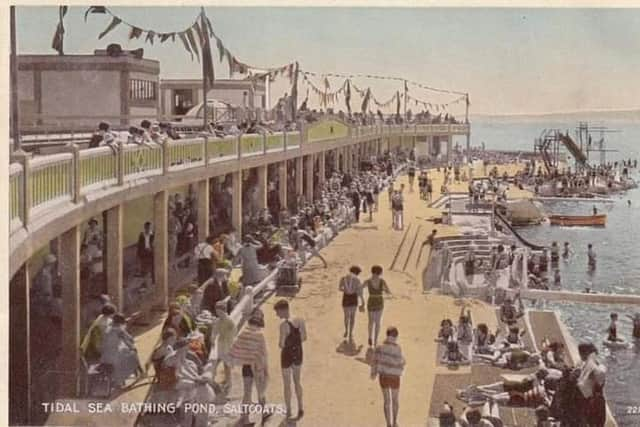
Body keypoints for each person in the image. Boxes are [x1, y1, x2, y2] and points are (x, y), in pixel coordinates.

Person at [229, 309, 271, 425]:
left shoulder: (243, 333)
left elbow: (234, 348)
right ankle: (264, 412)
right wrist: (263, 367)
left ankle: (245, 418)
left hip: (246, 367)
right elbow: (263, 354)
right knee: (261, 391)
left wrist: (242, 358)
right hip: (258, 367)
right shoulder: (260, 335)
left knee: (247, 393)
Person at [274, 299, 307, 420]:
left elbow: (281, 344)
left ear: (283, 310)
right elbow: (304, 337)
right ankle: (300, 407)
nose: (277, 315)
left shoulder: (283, 325)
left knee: (287, 384)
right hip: (298, 352)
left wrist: (285, 342)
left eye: (278, 312)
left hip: (287, 355)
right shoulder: (300, 320)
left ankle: (288, 410)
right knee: (297, 381)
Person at [370, 326, 405, 427]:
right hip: (394, 377)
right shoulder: (398, 348)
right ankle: (394, 422)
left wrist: (373, 373)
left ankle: (388, 424)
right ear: (396, 336)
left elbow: (375, 361)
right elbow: (400, 362)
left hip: (384, 377)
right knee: (395, 400)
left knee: (386, 401)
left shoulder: (379, 347)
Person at [100, 313, 143, 390]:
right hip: (113, 358)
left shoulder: (108, 328)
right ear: (121, 323)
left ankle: (136, 374)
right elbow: (130, 340)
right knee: (133, 354)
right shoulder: (119, 330)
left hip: (104, 356)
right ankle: (139, 373)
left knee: (126, 352)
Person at [575, 343, 607, 427]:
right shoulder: (593, 364)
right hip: (592, 400)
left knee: (592, 421)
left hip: (592, 400)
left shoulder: (591, 366)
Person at [363, 265, 392, 347]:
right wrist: (383, 290)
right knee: (378, 322)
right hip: (379, 301)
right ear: (379, 273)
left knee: (370, 322)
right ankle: (375, 340)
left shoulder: (368, 281)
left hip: (371, 300)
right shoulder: (382, 281)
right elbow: (388, 292)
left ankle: (369, 337)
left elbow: (360, 288)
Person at [338, 265, 365, 341]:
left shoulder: (343, 278)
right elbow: (360, 292)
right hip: (353, 298)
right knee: (353, 317)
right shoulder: (357, 280)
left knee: (346, 316)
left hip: (346, 298)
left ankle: (346, 330)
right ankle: (351, 333)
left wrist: (346, 290)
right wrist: (363, 302)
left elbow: (340, 288)